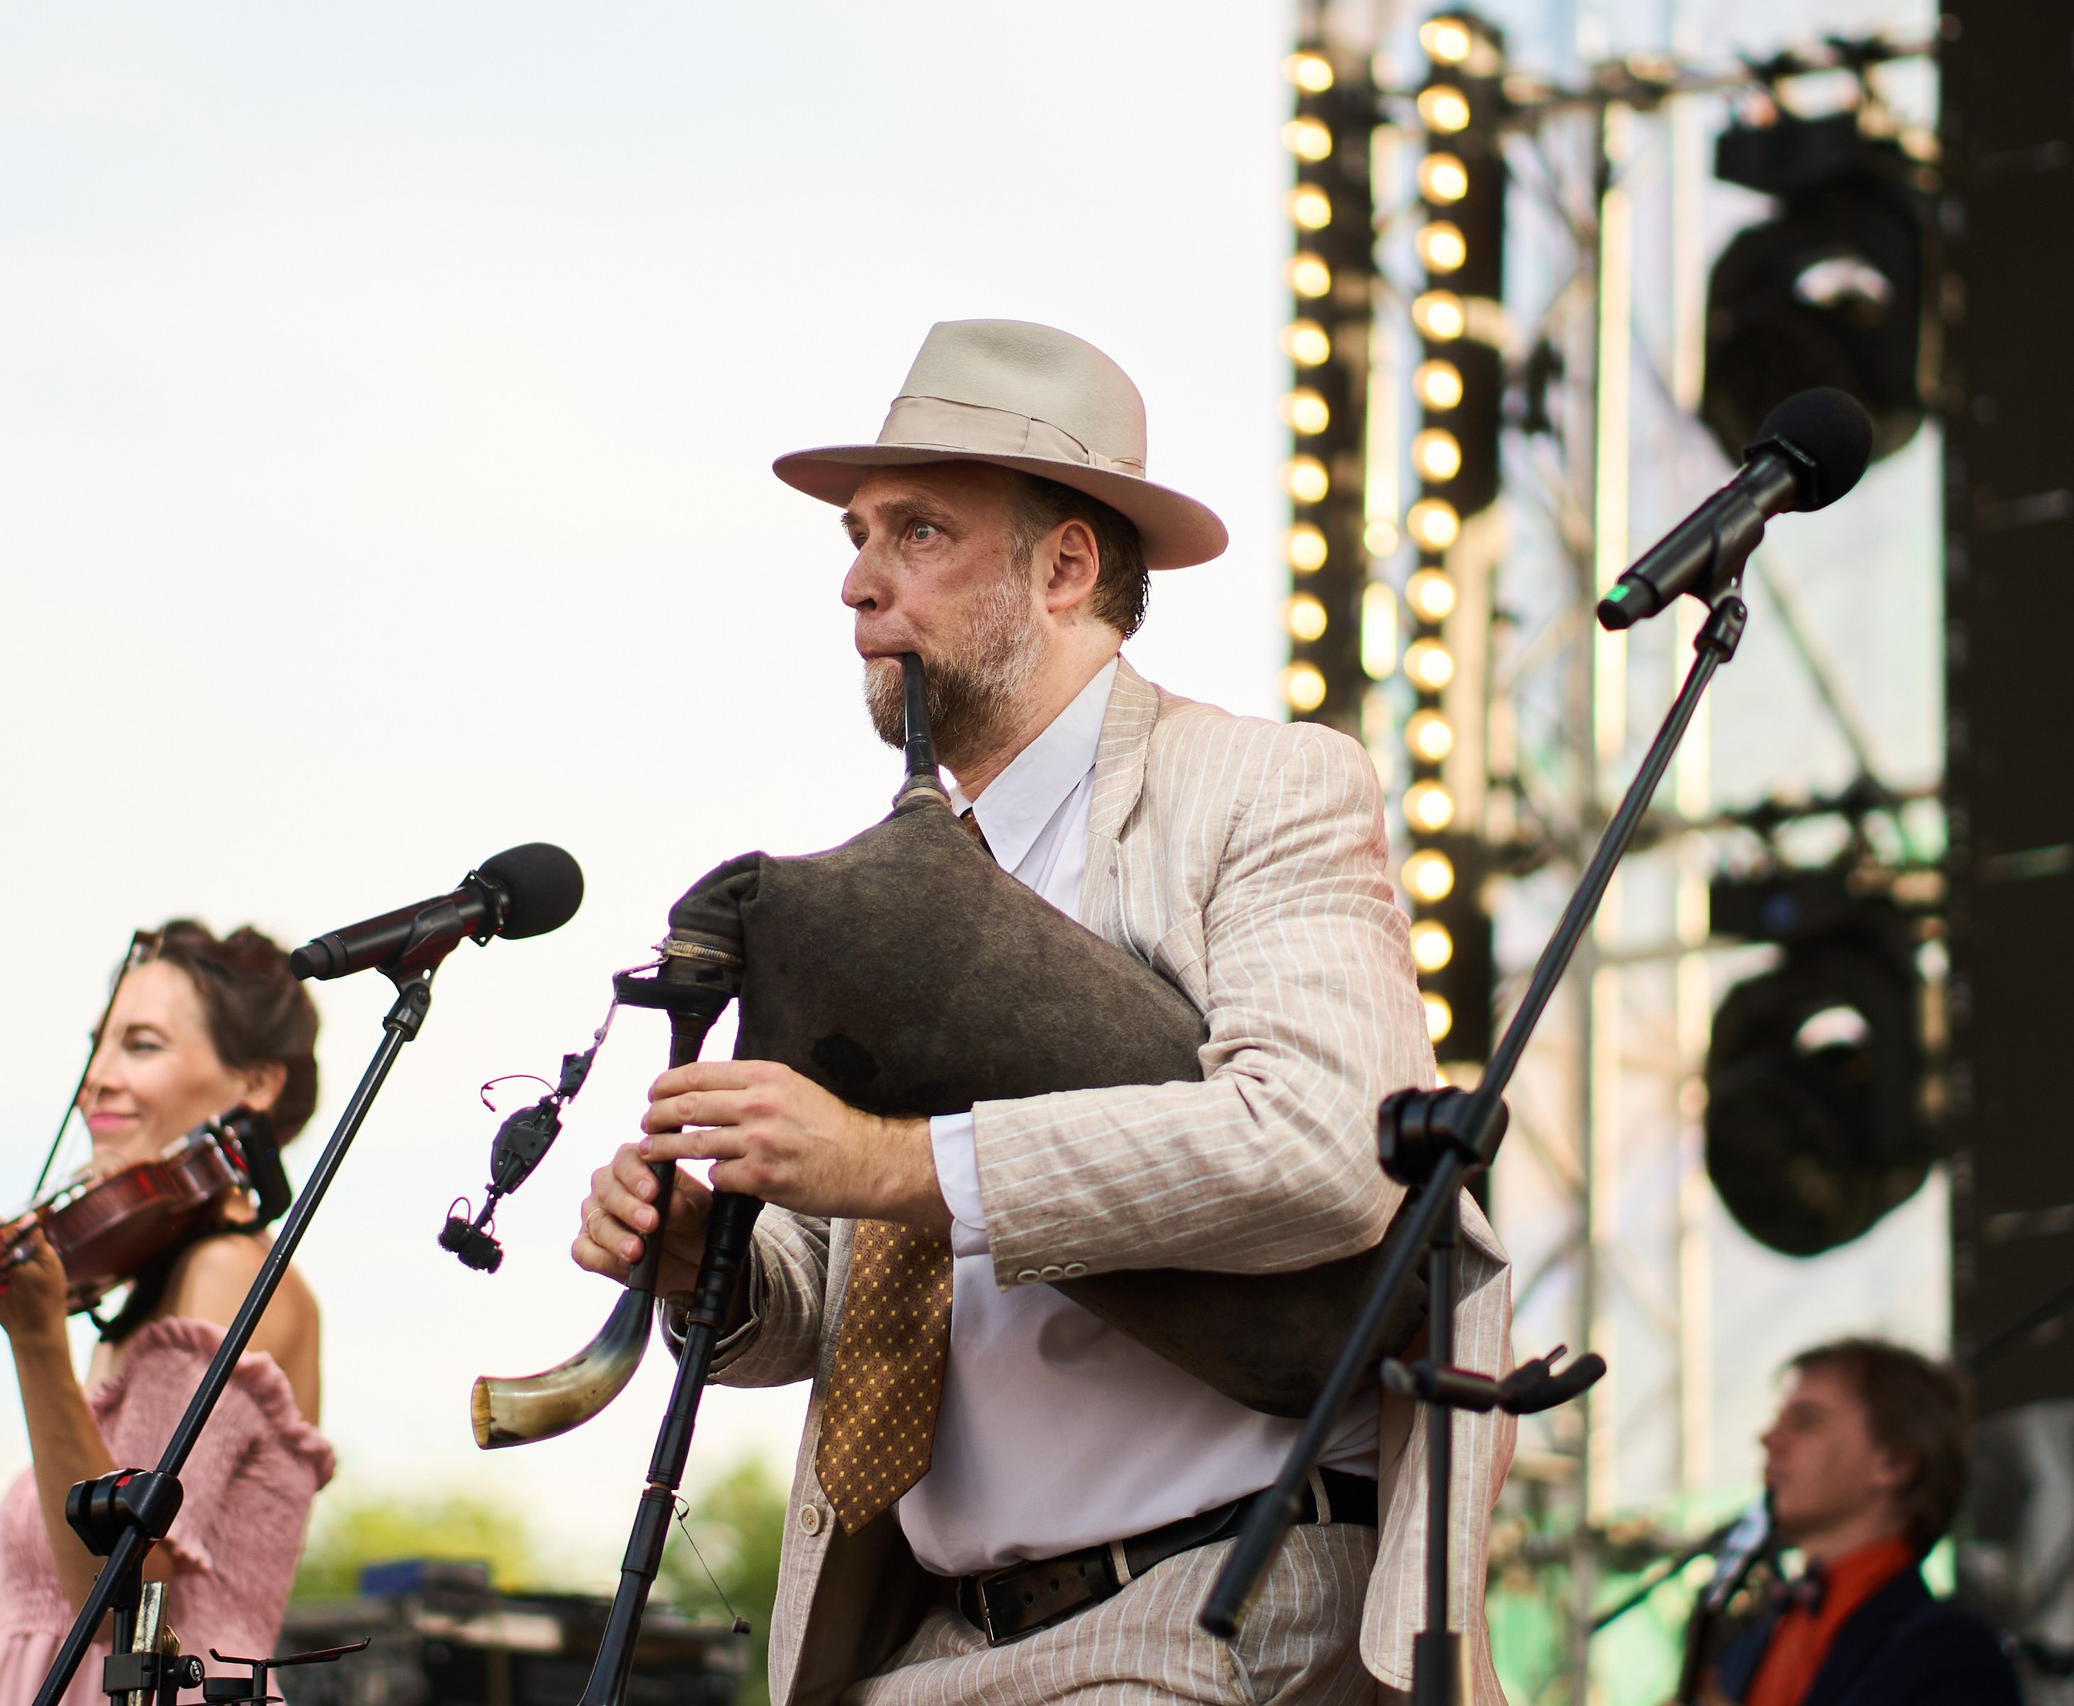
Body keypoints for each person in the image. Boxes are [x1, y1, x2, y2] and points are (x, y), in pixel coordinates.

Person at [571, 320, 1515, 1705]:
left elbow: (1328, 1147)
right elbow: (815, 1317)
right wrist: (700, 1259)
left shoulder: (1264, 787)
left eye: (919, 533)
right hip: (934, 1644)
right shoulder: (887, 885)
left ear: (1066, 565)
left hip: (1203, 1611)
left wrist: (895, 1161)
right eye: (857, 533)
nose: (856, 580)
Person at [0, 921, 337, 1705]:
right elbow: (42, 1638)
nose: (95, 1080)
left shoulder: (230, 1275)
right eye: (95, 1048)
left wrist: (39, 1341)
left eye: (139, 1046)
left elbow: (121, 1599)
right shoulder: (143, 1301)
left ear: (255, 1084)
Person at [1707, 1339, 2019, 1706]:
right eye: (1779, 1420)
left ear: (1895, 1462)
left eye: (1806, 1421)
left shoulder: (1951, 1654)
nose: (1769, 1438)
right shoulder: (1750, 1644)